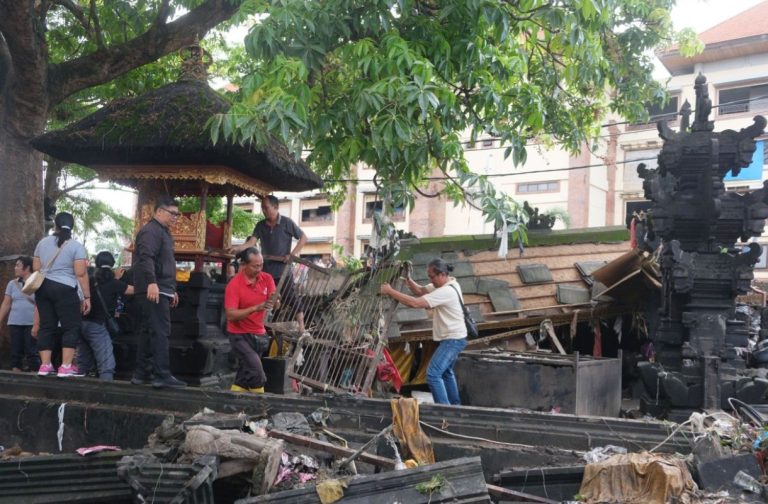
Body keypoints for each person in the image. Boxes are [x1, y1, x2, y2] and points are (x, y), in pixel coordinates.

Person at [380, 258, 468, 405]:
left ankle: (444, 410)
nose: (430, 280)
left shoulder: (446, 291)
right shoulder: (448, 284)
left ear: (442, 274)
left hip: (453, 339)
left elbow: (415, 303)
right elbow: (420, 291)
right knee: (446, 373)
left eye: (432, 277)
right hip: (454, 337)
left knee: (433, 374)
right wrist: (408, 280)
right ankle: (455, 406)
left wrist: (390, 291)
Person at [131, 196, 186, 388]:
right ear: (160, 211)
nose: (175, 218)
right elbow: (146, 258)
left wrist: (171, 289)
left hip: (161, 287)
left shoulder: (162, 232)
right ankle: (161, 374)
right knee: (160, 331)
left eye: (177, 215)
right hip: (154, 287)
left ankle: (142, 372)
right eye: (173, 213)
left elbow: (166, 262)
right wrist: (152, 283)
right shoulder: (151, 231)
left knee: (149, 331)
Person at [230, 195, 307, 332]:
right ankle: (257, 325)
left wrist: (292, 255)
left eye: (266, 208)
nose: (264, 211)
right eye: (262, 208)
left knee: (292, 298)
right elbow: (251, 242)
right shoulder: (260, 225)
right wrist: (238, 248)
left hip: (283, 270)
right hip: (266, 270)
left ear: (276, 207)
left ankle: (302, 327)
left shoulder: (287, 223)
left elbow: (303, 237)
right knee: (261, 298)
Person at [32, 212, 90, 377]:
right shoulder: (76, 246)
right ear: (72, 227)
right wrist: (87, 297)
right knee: (71, 326)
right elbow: (80, 273)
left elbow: (36, 268)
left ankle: (45, 365)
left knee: (46, 326)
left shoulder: (42, 243)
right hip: (65, 289)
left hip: (43, 288)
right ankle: (65, 366)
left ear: (55, 225)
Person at [224, 247, 278, 393]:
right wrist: (255, 308)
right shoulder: (234, 285)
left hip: (259, 334)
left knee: (243, 376)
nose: (259, 269)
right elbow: (231, 315)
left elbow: (275, 303)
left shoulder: (267, 278)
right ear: (244, 265)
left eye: (261, 265)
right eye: (255, 266)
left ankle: (232, 402)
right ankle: (260, 404)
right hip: (239, 335)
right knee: (257, 372)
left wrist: (275, 301)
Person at [78, 251, 133, 380]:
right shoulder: (114, 283)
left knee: (83, 362)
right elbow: (132, 290)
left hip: (81, 323)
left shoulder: (89, 280)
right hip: (97, 326)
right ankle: (105, 388)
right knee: (106, 364)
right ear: (112, 264)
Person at [0, 256, 40, 372]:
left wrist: (38, 323)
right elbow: (6, 303)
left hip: (31, 322)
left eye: (18, 265)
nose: (15, 268)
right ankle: (15, 373)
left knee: (32, 350)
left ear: (27, 268)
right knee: (15, 351)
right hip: (14, 322)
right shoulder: (12, 284)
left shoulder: (37, 282)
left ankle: (34, 374)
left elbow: (40, 303)